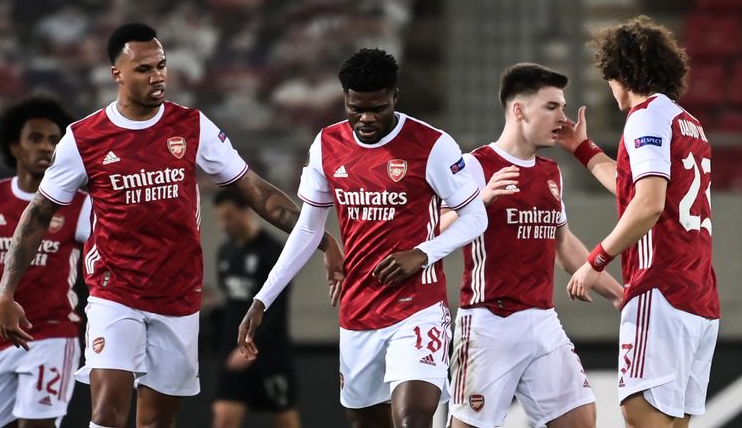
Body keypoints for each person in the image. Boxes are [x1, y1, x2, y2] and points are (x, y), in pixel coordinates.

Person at [0, 23, 343, 428]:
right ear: (117, 74)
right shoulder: (83, 139)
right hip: (114, 291)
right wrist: (6, 290)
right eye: (143, 69)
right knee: (107, 410)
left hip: (177, 296)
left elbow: (257, 192)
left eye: (161, 65)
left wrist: (320, 236)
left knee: (157, 420)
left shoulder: (192, 127)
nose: (157, 76)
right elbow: (37, 215)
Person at [238, 48, 488, 428]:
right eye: (357, 108)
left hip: (417, 308)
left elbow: (476, 216)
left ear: (395, 97)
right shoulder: (327, 146)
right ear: (345, 99)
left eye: (378, 108)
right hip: (359, 311)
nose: (367, 118)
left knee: (413, 419)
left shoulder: (432, 145)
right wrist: (262, 298)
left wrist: (423, 253)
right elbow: (308, 229)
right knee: (367, 422)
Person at [559, 16, 720, 428]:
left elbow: (647, 205)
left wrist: (596, 259)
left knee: (638, 411)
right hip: (700, 296)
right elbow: (636, 191)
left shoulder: (645, 117)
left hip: (660, 288)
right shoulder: (688, 123)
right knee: (673, 420)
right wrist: (583, 149)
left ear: (622, 72)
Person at [443, 63, 623, 428]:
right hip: (487, 323)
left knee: (580, 420)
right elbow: (432, 230)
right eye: (552, 106)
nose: (563, 117)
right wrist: (479, 201)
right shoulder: (474, 166)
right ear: (519, 110)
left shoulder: (549, 173)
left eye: (563, 107)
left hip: (541, 320)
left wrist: (619, 294)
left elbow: (563, 245)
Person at [0, 97, 90, 428]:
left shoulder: (78, 205)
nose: (46, 147)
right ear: (15, 147)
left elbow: (110, 254)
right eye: (35, 138)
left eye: (54, 140)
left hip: (52, 335)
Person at [211, 188, 300, 428]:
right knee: (223, 417)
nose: (224, 224)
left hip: (269, 353)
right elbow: (231, 302)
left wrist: (253, 342)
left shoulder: (272, 252)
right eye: (220, 218)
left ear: (245, 210)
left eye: (228, 216)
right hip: (233, 351)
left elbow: (277, 306)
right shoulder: (225, 253)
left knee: (285, 419)